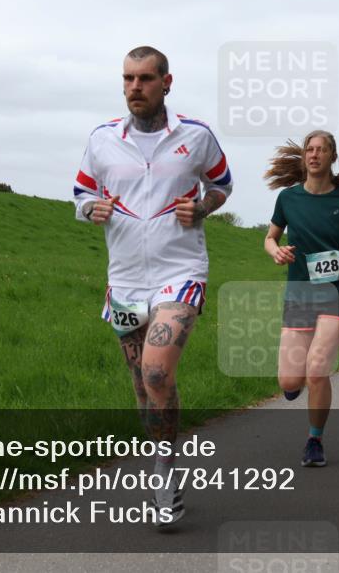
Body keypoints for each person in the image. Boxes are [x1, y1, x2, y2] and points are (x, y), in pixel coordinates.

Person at [73, 46, 233, 525]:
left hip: (179, 272)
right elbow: (81, 193)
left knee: (158, 371)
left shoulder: (197, 136)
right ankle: (162, 457)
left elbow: (222, 184)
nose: (134, 88)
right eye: (127, 79)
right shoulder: (102, 139)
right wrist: (89, 209)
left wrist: (202, 207)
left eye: (144, 78)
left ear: (166, 82)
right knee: (142, 386)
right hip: (123, 279)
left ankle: (165, 474)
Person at [264, 130, 339, 467]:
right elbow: (270, 237)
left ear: (332, 156)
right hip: (299, 295)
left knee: (316, 370)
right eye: (309, 150)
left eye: (321, 150)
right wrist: (276, 251)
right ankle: (294, 387)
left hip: (335, 295)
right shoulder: (288, 198)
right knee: (290, 380)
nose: (314, 155)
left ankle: (314, 439)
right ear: (303, 157)